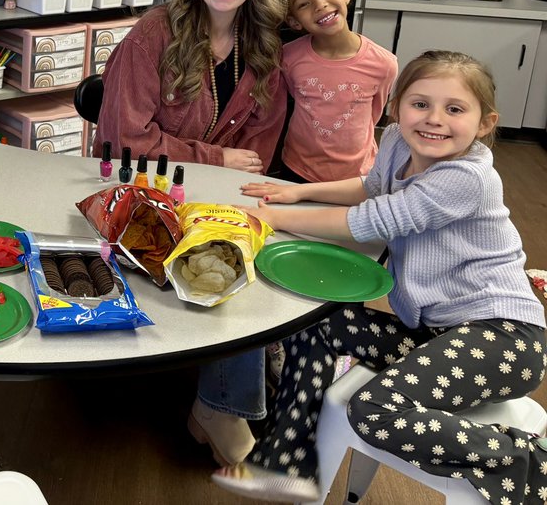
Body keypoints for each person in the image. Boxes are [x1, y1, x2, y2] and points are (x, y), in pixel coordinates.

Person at [219, 51, 547, 503]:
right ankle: (289, 461)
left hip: (504, 338)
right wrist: (298, 192)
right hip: (437, 332)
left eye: (454, 109)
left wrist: (267, 217)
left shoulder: (467, 178)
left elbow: (371, 220)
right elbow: (373, 186)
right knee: (314, 324)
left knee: (372, 410)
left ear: (485, 122)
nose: (434, 120)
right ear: (396, 107)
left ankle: (522, 460)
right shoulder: (396, 139)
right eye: (420, 104)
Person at [94, 0, 289, 466]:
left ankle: (223, 405)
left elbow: (260, 150)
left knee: (246, 255)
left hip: (220, 191)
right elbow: (123, 138)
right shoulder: (156, 31)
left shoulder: (264, 45)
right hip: (139, 192)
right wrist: (214, 155)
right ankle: (223, 410)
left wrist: (230, 181)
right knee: (217, 262)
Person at [275, 0, 397, 183]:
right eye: (303, 4)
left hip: (356, 177)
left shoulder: (384, 63)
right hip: (298, 170)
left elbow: (374, 115)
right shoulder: (288, 58)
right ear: (294, 21)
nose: (320, 5)